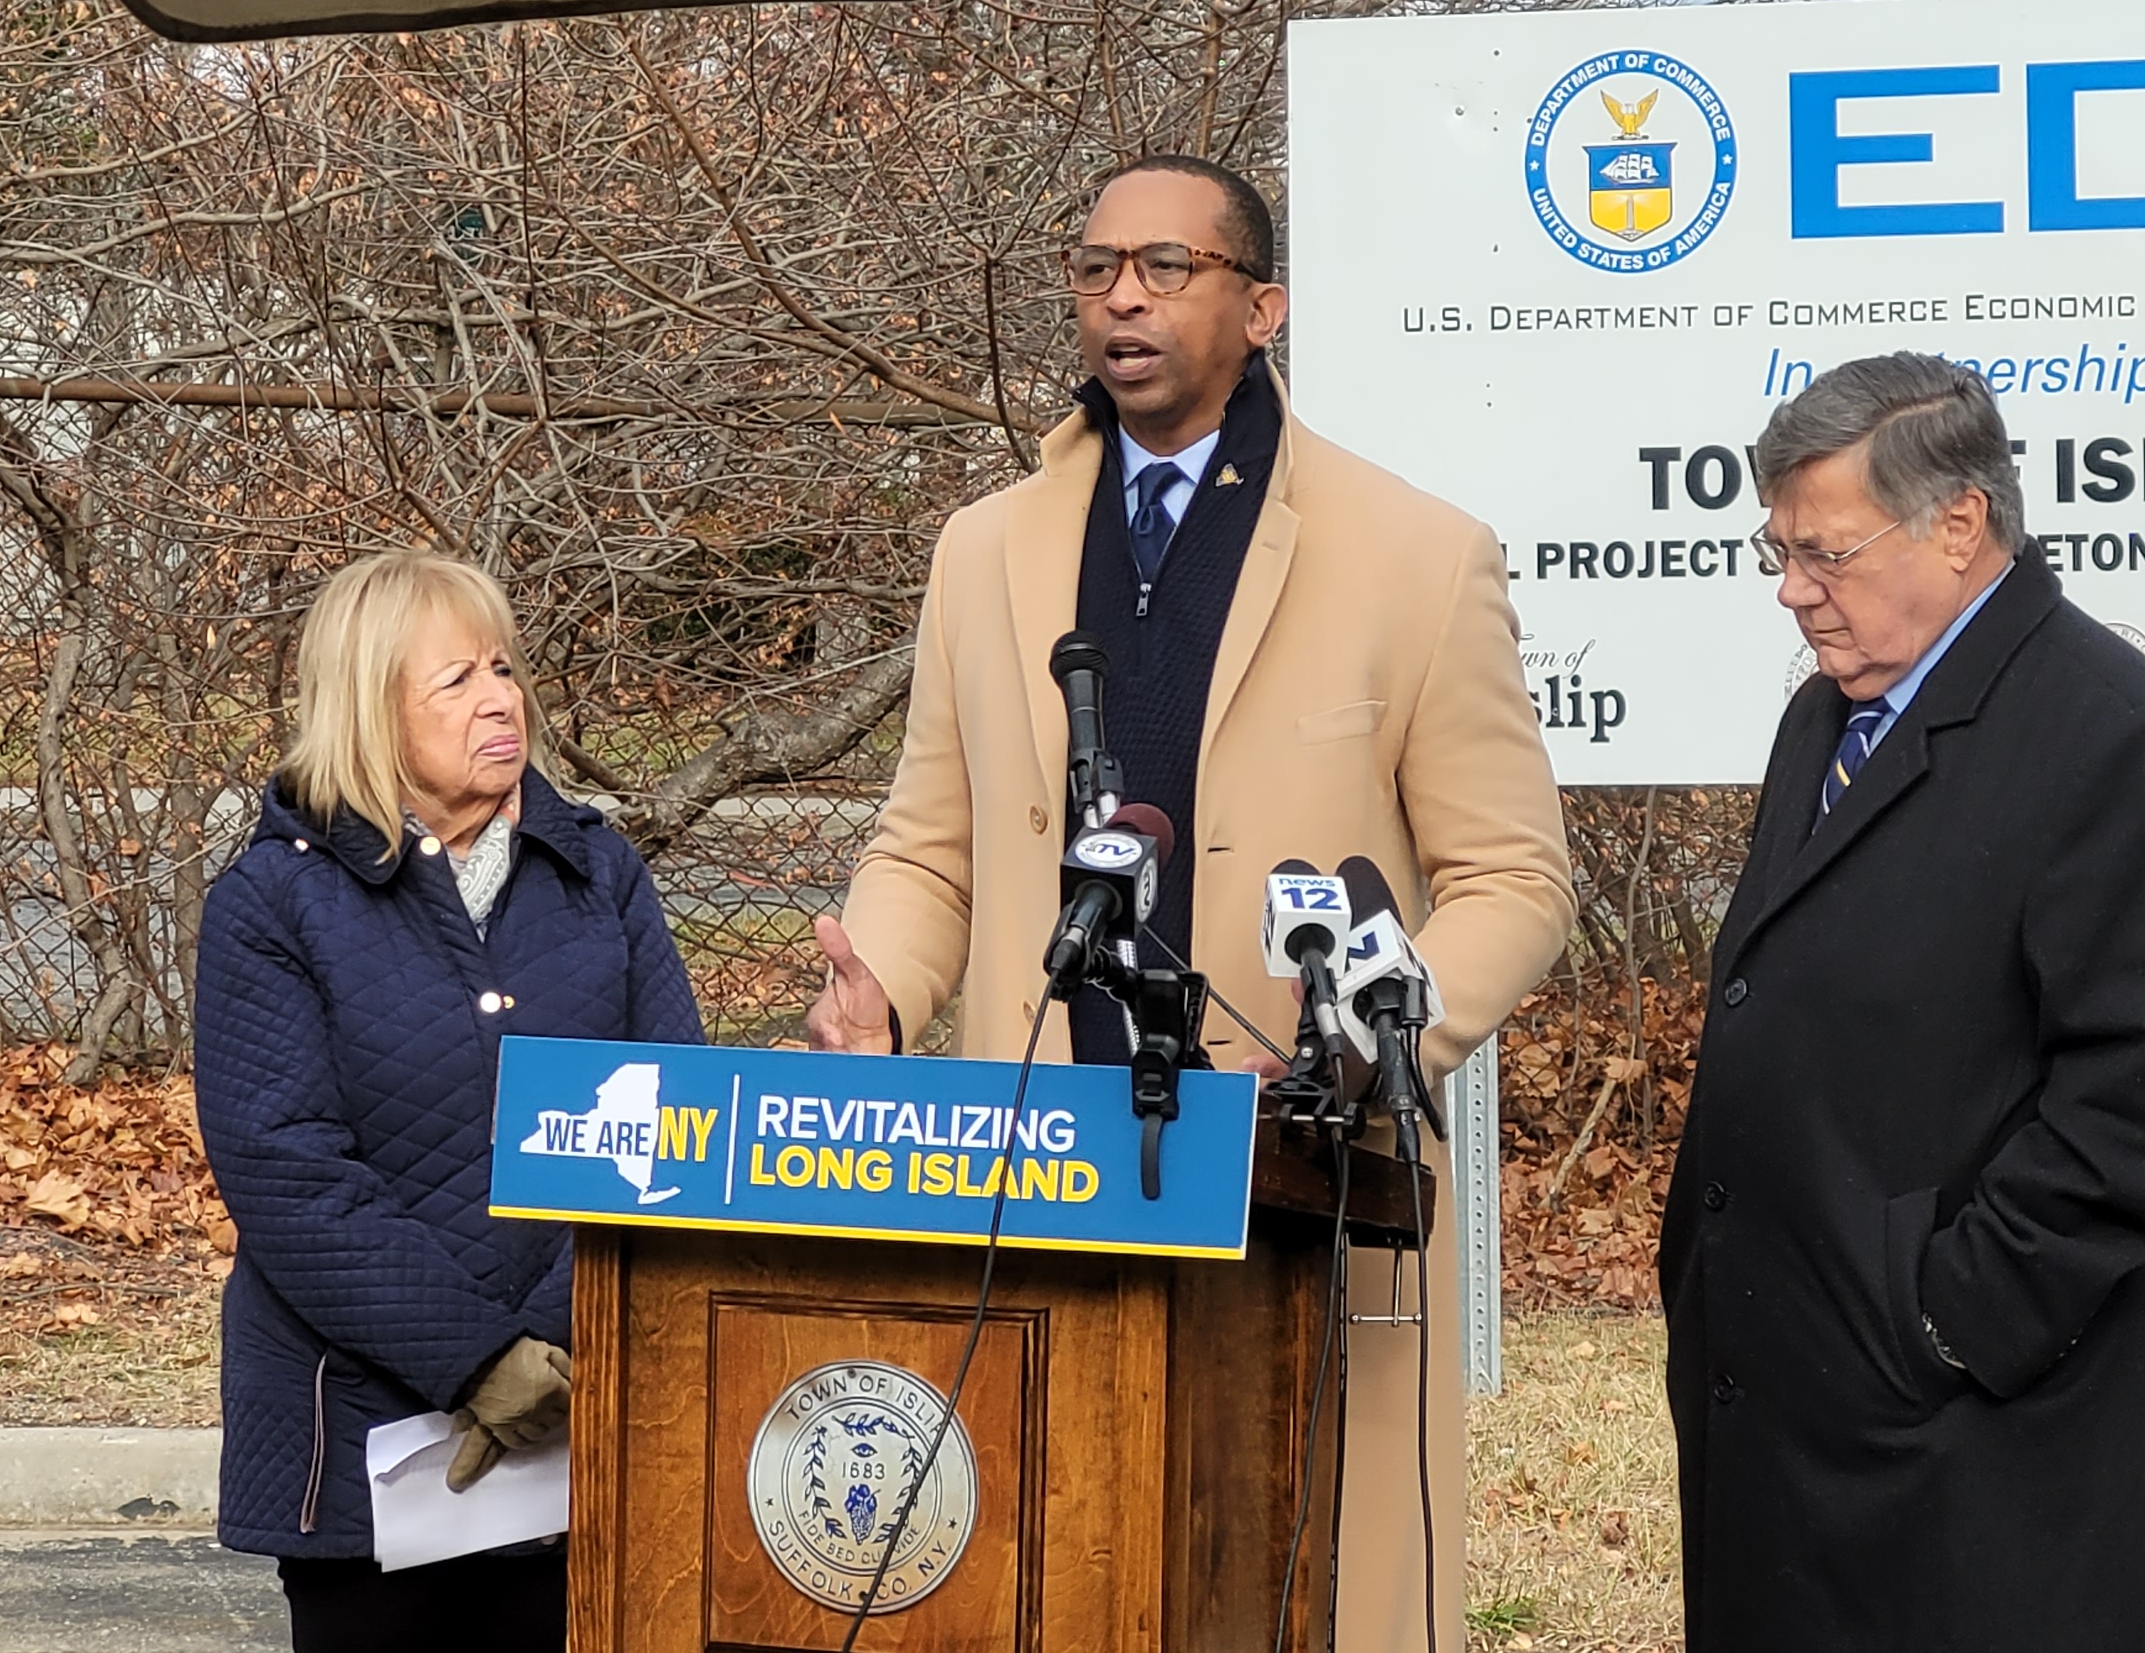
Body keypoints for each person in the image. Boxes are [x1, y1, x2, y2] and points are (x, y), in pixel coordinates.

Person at [805, 153, 1574, 1650]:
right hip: (1034, 1169)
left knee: (1291, 1588)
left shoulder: (1417, 555)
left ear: (1262, 305)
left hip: (1294, 1170)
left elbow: (1511, 878)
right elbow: (931, 844)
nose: (1122, 298)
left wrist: (1377, 1037)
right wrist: (884, 983)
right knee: (1049, 1579)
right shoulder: (984, 550)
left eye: (1166, 268)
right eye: (1096, 271)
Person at [1658, 353, 2145, 1653]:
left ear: (1960, 523)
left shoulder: (2107, 734)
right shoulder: (1826, 719)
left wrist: (1940, 1318)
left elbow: (2141, 1108)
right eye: (1779, 551)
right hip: (1793, 1420)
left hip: (1970, 1447)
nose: (1793, 590)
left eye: (1828, 553)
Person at [197, 550, 703, 1650]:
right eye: (457, 680)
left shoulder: (601, 879)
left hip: (588, 1419)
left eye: (505, 668)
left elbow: (673, 1124)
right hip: (363, 1446)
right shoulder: (272, 904)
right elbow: (286, 1169)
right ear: (373, 710)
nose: (499, 700)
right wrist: (479, 1359)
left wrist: (561, 1339)